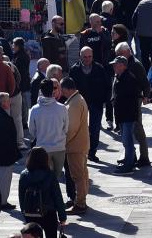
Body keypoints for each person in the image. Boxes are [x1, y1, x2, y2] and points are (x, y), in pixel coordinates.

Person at [69, 47, 110, 162]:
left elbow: (107, 85)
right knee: (79, 129)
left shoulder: (99, 68)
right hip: (79, 104)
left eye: (89, 57)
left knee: (95, 129)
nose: (87, 59)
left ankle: (92, 152)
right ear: (80, 56)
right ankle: (81, 152)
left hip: (96, 103)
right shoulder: (74, 69)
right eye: (85, 57)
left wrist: (105, 100)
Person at [113, 42, 151, 166]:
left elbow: (145, 82)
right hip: (124, 102)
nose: (118, 56)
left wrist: (146, 96)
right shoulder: (121, 63)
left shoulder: (135, 65)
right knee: (125, 131)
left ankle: (144, 157)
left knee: (137, 128)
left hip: (134, 101)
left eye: (120, 54)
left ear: (127, 52)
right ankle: (130, 156)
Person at [18, 147, 67, 238]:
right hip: (48, 213)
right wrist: (62, 217)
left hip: (31, 212)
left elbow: (21, 197)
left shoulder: (24, 175)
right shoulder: (50, 175)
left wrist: (24, 212)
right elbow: (57, 197)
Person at [28, 79, 69, 183]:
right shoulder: (62, 108)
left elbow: (32, 131)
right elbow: (66, 128)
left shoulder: (34, 109)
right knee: (55, 178)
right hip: (59, 147)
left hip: (42, 148)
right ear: (53, 90)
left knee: (45, 178)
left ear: (41, 90)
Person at [60, 77, 90, 214]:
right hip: (81, 144)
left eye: (62, 89)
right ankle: (81, 200)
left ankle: (80, 204)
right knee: (82, 174)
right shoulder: (77, 99)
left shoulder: (75, 103)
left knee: (78, 176)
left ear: (66, 89)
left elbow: (71, 128)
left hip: (75, 146)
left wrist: (63, 142)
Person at [111, 56, 142, 174]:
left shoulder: (129, 78)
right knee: (125, 140)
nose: (114, 66)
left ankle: (129, 166)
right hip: (123, 115)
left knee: (127, 140)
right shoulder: (119, 77)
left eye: (116, 64)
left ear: (123, 66)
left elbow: (128, 98)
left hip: (128, 115)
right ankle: (131, 159)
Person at [13, 38, 33, 127]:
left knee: (23, 103)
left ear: (17, 46)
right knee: (23, 103)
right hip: (24, 81)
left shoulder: (20, 57)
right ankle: (24, 121)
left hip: (22, 83)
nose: (13, 47)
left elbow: (19, 71)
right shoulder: (22, 55)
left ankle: (24, 122)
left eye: (14, 45)